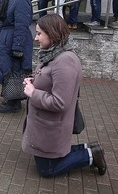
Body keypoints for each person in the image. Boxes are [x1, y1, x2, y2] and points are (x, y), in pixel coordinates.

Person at [22, 14, 107, 177]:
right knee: (41, 159)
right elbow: (51, 78)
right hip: (45, 125)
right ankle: (88, 149)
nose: (36, 38)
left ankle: (90, 155)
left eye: (39, 33)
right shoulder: (54, 52)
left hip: (51, 125)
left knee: (47, 170)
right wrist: (35, 81)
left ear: (52, 34)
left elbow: (60, 102)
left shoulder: (64, 60)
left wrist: (33, 93)